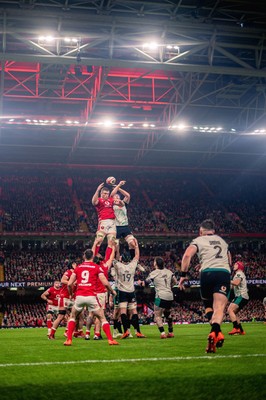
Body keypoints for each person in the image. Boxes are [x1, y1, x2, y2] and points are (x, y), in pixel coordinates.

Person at [179, 219, 231, 353]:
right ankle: (215, 332)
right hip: (223, 273)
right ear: (214, 231)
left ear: (201, 231)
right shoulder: (222, 241)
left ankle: (216, 332)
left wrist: (184, 275)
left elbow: (187, 255)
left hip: (206, 274)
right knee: (219, 306)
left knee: (208, 306)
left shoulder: (198, 240)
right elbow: (229, 259)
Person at [63, 249, 119, 346]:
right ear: (92, 257)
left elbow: (69, 284)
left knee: (72, 316)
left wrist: (71, 294)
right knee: (102, 318)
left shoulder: (78, 268)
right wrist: (112, 291)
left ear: (84, 256)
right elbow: (105, 282)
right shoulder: (97, 267)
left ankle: (69, 340)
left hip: (80, 296)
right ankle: (110, 340)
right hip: (91, 296)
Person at [113, 240, 146, 339]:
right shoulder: (132, 265)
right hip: (131, 291)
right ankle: (138, 332)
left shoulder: (118, 266)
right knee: (134, 312)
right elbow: (136, 256)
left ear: (122, 259)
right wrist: (136, 246)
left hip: (122, 292)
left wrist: (115, 247)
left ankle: (126, 331)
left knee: (123, 312)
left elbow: (114, 258)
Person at [85, 241, 116, 340]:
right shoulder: (104, 266)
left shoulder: (91, 267)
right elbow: (111, 257)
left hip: (91, 292)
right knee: (100, 314)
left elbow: (91, 253)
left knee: (91, 314)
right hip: (101, 293)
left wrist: (95, 243)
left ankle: (87, 333)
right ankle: (97, 334)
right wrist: (113, 247)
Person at [144, 257, 177, 339]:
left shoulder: (154, 273)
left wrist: (141, 283)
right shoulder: (169, 272)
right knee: (167, 314)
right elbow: (175, 281)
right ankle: (171, 332)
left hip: (160, 296)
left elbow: (146, 282)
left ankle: (162, 333)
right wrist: (169, 287)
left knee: (157, 315)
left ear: (155, 264)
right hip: (170, 296)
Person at [91, 181, 124, 261]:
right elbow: (93, 202)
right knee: (99, 241)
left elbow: (121, 204)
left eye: (107, 193)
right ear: (101, 194)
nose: (106, 195)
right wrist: (97, 190)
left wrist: (120, 202)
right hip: (103, 222)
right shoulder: (99, 200)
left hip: (112, 223)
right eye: (105, 193)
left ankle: (106, 261)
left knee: (111, 243)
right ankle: (92, 260)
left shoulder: (111, 200)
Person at [48, 261, 76, 339]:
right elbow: (62, 280)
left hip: (70, 297)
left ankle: (67, 331)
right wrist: (72, 282)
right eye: (76, 264)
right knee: (61, 316)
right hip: (64, 297)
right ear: (73, 265)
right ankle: (52, 334)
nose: (77, 265)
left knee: (75, 314)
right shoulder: (68, 272)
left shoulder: (75, 273)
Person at [113, 184, 138, 259]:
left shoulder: (124, 204)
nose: (117, 197)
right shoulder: (111, 205)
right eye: (115, 196)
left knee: (133, 244)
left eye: (118, 196)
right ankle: (116, 262)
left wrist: (118, 188)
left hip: (125, 227)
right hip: (116, 227)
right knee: (116, 247)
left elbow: (128, 195)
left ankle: (134, 261)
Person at [228, 260, 249, 335]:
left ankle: (236, 328)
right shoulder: (239, 274)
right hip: (243, 296)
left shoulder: (239, 274)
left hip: (241, 295)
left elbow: (236, 283)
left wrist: (226, 280)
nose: (234, 265)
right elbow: (232, 287)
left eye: (235, 264)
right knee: (234, 312)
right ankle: (241, 330)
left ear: (239, 266)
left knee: (230, 310)